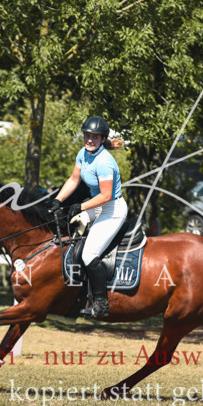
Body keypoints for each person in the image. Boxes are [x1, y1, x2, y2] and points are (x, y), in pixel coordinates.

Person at [50, 116, 126, 319]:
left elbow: (106, 195)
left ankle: (101, 304)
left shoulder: (104, 162)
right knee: (70, 232)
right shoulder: (83, 154)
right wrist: (58, 200)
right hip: (96, 205)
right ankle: (77, 294)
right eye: (87, 135)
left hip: (112, 210)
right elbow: (74, 179)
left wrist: (80, 206)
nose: (90, 140)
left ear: (102, 139)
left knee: (89, 254)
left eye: (95, 137)